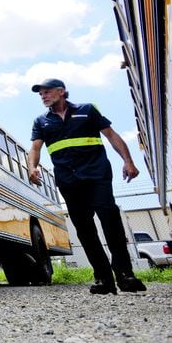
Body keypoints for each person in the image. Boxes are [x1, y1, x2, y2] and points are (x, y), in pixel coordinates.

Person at [27, 78, 146, 295]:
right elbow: (35, 148)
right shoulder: (41, 122)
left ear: (61, 92)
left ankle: (125, 275)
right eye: (40, 94)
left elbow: (112, 136)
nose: (43, 96)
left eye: (47, 92)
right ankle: (103, 279)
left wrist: (128, 162)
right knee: (85, 230)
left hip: (97, 175)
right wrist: (32, 167)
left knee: (110, 221)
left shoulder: (87, 110)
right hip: (68, 181)